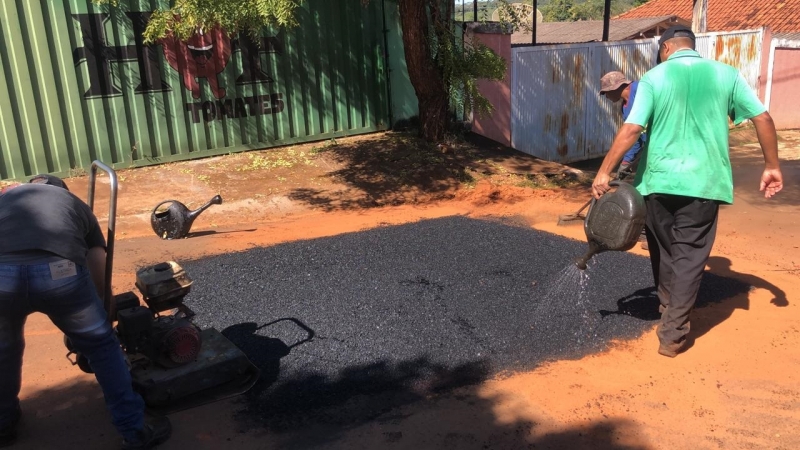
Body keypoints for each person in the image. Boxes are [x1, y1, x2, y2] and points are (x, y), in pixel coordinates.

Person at [590, 25, 784, 358]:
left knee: (664, 249)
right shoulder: (727, 74)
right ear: (691, 47)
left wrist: (604, 172)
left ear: (665, 49)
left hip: (657, 182)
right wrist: (771, 165)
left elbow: (632, 129)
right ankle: (673, 333)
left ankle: (668, 307)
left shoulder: (653, 78)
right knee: (689, 255)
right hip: (704, 183)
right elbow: (763, 118)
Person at [0, 175, 172, 448]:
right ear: (61, 190)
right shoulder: (73, 203)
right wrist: (106, 311)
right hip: (58, 274)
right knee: (102, 347)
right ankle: (134, 430)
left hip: (2, 277)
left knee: (5, 350)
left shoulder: (7, 198)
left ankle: (3, 424)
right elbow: (97, 262)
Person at [599, 71, 647, 177]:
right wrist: (626, 162)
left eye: (607, 92)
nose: (606, 97)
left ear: (615, 87)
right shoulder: (625, 108)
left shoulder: (642, 90)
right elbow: (635, 136)